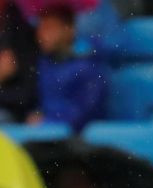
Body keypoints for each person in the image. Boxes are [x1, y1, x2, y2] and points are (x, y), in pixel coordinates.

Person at [30, 3, 106, 132]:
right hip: (47, 134)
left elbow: (83, 113)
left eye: (49, 28)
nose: (41, 34)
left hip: (77, 143)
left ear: (69, 30)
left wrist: (47, 122)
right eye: (40, 27)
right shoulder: (44, 63)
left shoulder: (88, 66)